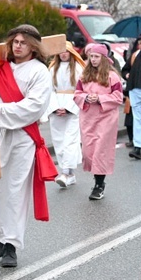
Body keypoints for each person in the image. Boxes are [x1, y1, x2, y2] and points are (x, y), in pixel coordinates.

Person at [0, 24, 55, 268]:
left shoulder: (39, 72)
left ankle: (11, 245)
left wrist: (3, 110)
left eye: (23, 42)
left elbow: (36, 106)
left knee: (15, 193)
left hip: (22, 137)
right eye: (15, 41)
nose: (18, 45)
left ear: (33, 46)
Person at [74, 44, 124, 200]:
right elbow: (76, 94)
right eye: (91, 57)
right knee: (88, 153)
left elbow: (118, 97)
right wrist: (85, 98)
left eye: (96, 57)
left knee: (100, 152)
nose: (93, 60)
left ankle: (99, 185)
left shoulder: (112, 76)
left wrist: (101, 98)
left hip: (105, 119)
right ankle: (97, 181)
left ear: (103, 58)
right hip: (88, 118)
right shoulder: (84, 76)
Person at [46, 41, 84, 188]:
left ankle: (66, 172)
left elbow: (81, 90)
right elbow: (48, 90)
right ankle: (69, 173)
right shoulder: (52, 69)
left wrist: (68, 108)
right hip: (56, 106)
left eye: (66, 51)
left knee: (70, 140)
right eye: (61, 51)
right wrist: (55, 108)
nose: (63, 54)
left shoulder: (78, 68)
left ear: (71, 52)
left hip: (73, 107)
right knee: (59, 141)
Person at [122, 37, 141, 148]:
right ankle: (134, 142)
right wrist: (127, 75)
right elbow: (125, 69)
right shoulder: (134, 55)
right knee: (131, 119)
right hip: (134, 89)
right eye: (139, 43)